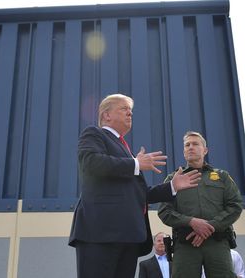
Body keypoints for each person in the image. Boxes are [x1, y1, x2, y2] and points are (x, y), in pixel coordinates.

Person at [68, 94, 201, 278]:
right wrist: (136, 164)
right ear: (106, 115)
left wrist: (172, 186)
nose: (130, 113)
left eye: (131, 111)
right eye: (124, 109)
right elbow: (91, 162)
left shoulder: (126, 150)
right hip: (100, 232)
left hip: (129, 236)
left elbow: (138, 193)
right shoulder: (94, 134)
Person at [158, 131, 243, 278]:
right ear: (184, 152)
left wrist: (210, 226)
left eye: (195, 144)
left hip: (217, 243)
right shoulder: (173, 179)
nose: (190, 147)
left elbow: (235, 206)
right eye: (187, 145)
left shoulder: (222, 176)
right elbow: (164, 211)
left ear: (205, 150)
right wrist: (191, 222)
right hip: (186, 246)